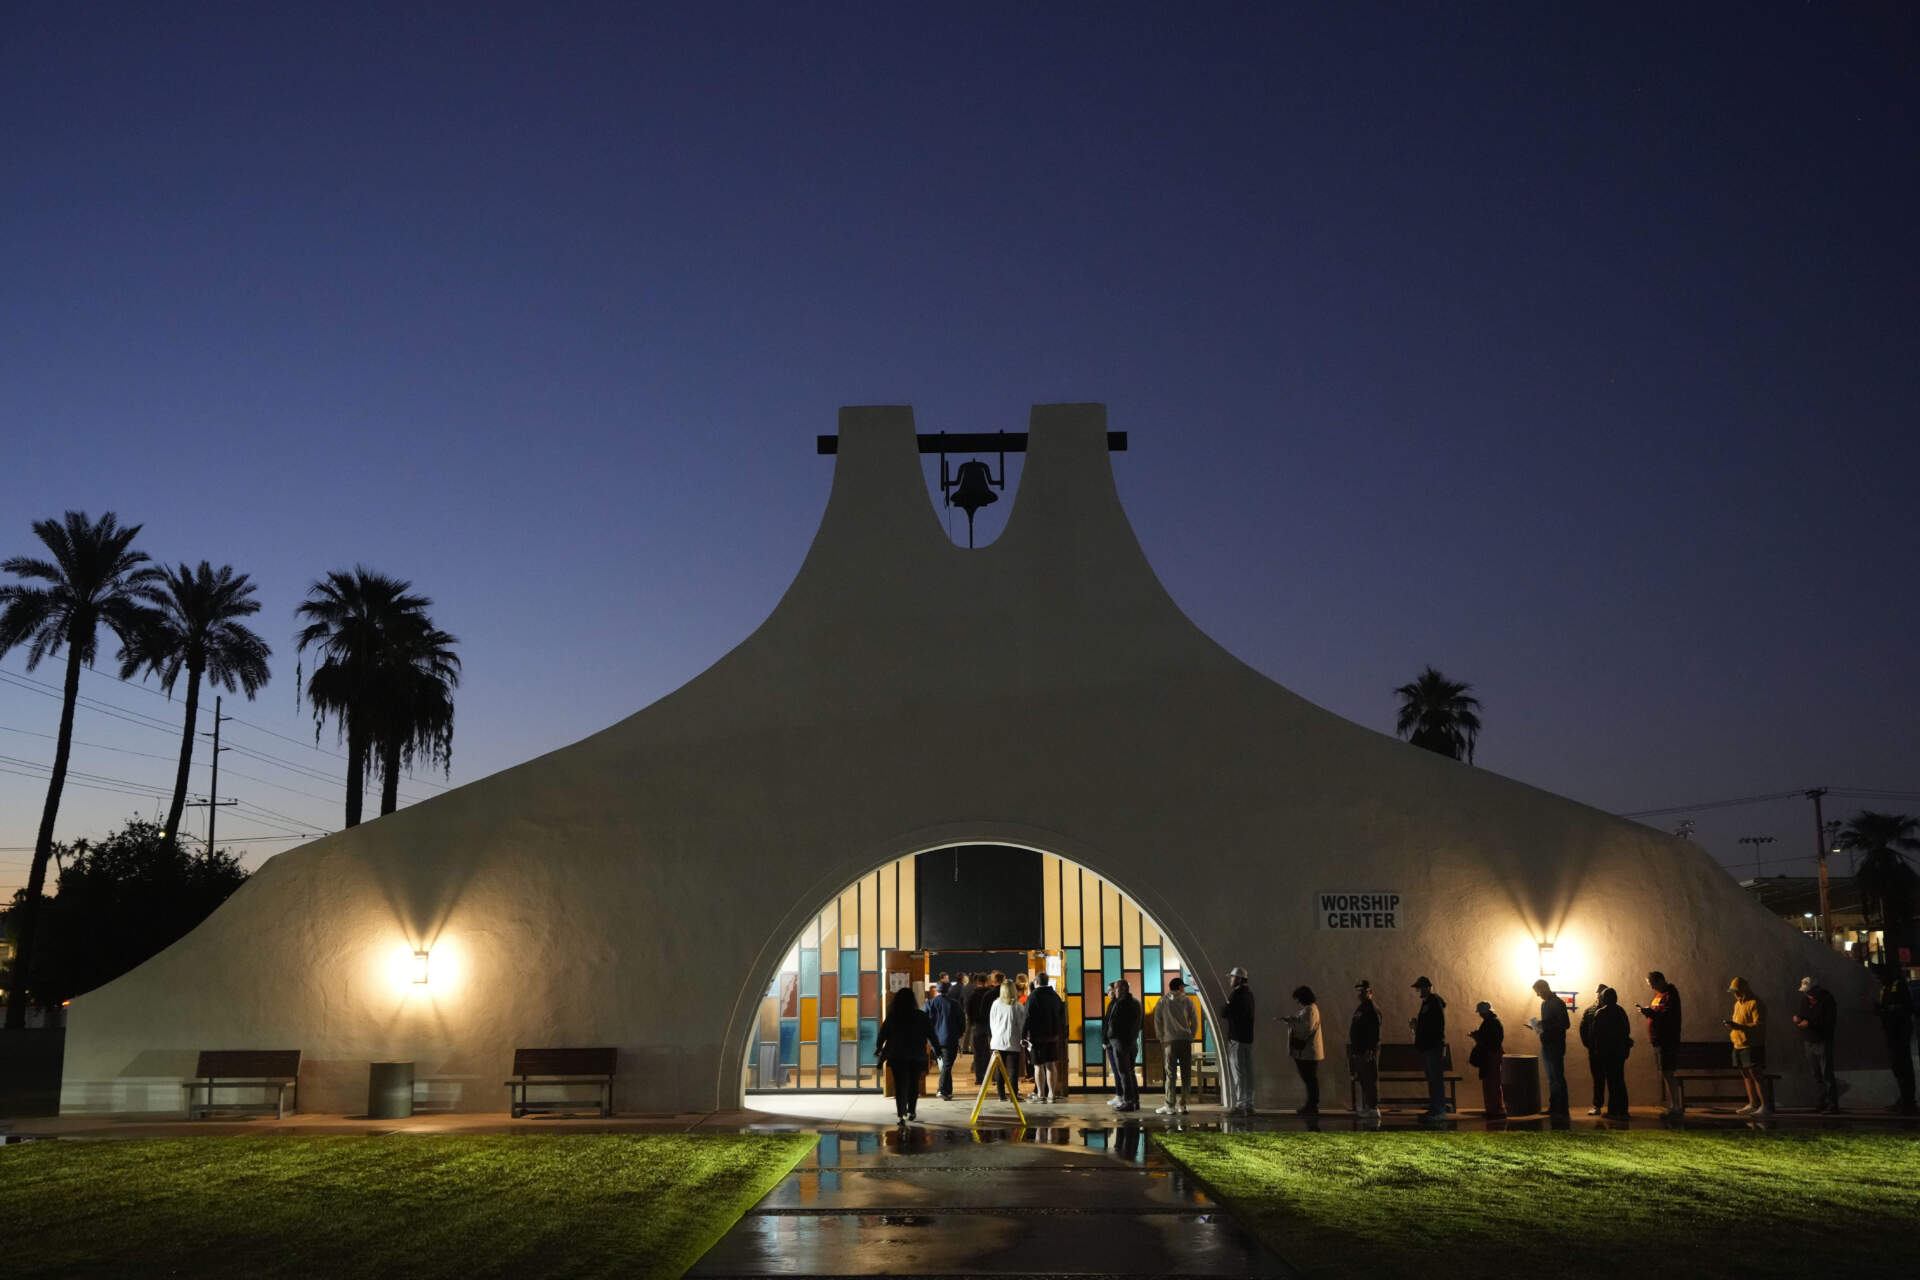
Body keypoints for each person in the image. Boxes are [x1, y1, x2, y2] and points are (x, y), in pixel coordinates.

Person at [874, 986, 937, 1124]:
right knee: (913, 1084)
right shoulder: (921, 1016)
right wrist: (937, 1050)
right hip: (916, 1055)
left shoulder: (893, 1016)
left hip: (897, 1056)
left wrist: (879, 1047)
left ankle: (901, 1114)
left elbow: (883, 1034)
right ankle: (912, 1111)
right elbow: (931, 1034)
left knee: (900, 1085)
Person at [1635, 970, 1684, 1116]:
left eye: (1652, 984)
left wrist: (1649, 1012)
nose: (1652, 988)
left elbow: (1667, 1015)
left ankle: (1676, 1105)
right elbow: (1659, 1011)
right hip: (1658, 1039)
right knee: (1665, 1072)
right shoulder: (1659, 995)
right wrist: (1648, 1011)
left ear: (1660, 981)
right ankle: (1673, 1105)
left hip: (1667, 1039)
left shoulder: (1670, 994)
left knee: (1668, 1072)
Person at [1873, 962, 1917, 1115]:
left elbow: (1907, 1008)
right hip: (1891, 1031)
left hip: (1900, 1032)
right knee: (1898, 1068)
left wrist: (1885, 1010)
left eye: (1880, 976)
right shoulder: (1885, 987)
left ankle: (1908, 1101)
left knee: (1903, 1067)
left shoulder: (1899, 985)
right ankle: (1904, 1099)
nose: (1878, 979)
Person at [1792, 975, 1839, 1113]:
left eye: (1809, 991)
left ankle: (1832, 1104)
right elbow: (1804, 1015)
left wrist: (1810, 1023)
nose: (1807, 994)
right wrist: (1799, 1019)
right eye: (1805, 991)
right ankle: (1821, 1102)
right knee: (1816, 1074)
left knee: (1827, 1074)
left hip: (1823, 1041)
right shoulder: (1805, 1000)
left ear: (1817, 989)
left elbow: (1829, 1022)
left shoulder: (1827, 1000)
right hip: (1809, 1041)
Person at [1723, 977, 1769, 1116]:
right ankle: (1753, 1103)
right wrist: (1733, 1027)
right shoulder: (1737, 1005)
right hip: (1738, 1044)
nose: (1735, 995)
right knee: (1746, 1075)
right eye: (1734, 992)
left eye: (1737, 992)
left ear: (1744, 990)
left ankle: (1765, 1105)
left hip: (1752, 1044)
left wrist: (1739, 1027)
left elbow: (1759, 1025)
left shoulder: (1755, 1003)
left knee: (1756, 1075)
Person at [1155, 976, 1199, 1114]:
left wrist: (1161, 1038)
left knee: (1170, 1074)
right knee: (1186, 1073)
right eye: (1183, 987)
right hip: (1185, 1040)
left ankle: (1170, 1106)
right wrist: (1191, 1036)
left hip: (1169, 1041)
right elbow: (1195, 1021)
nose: (1184, 989)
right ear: (1180, 987)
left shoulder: (1162, 1001)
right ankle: (1183, 1104)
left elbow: (1158, 1021)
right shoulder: (1188, 1001)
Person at [1527, 979, 1571, 1117]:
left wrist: (1543, 1025)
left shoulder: (1557, 1003)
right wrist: (1538, 1027)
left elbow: (1565, 1024)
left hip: (1555, 1045)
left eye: (1538, 992)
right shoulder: (1545, 1004)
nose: (1537, 995)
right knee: (1552, 1078)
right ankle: (1555, 1106)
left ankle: (1562, 1108)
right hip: (1546, 1044)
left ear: (1544, 988)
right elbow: (1550, 1024)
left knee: (1557, 1077)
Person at [1279, 986, 1324, 1115]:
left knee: (1309, 1078)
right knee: (1310, 1079)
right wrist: (1292, 1020)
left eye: (1298, 999)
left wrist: (1291, 1022)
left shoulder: (1310, 1010)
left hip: (1306, 1051)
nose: (1297, 1002)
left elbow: (1306, 1028)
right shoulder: (1310, 1009)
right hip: (1306, 1051)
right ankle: (1311, 1104)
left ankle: (1312, 1105)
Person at [1025, 971, 1068, 1103]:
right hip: (1053, 1036)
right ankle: (1051, 1094)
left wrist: (1024, 1035)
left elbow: (1028, 1017)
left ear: (1036, 982)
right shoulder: (1055, 996)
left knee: (1038, 1066)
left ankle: (1041, 1094)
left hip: (1037, 1037)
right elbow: (1062, 1015)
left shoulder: (1033, 996)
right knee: (1051, 1065)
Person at [1589, 985, 1632, 1117]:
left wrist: (1597, 1050)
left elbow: (1595, 1034)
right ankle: (1623, 1109)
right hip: (1620, 1052)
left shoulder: (1600, 1013)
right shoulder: (1621, 1011)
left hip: (1607, 1053)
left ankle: (1613, 1111)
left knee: (1612, 1082)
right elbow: (1627, 1030)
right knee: (1619, 1080)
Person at [1410, 976, 1448, 1118]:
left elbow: (1437, 1024)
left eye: (1420, 988)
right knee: (1432, 1078)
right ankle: (1435, 1107)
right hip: (1428, 1046)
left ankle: (1439, 1109)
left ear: (1428, 987)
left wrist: (1421, 1030)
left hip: (1432, 1046)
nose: (1418, 991)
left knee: (1435, 1078)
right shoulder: (1428, 1002)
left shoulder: (1434, 1002)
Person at [1221, 966, 1256, 1115]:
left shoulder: (1236, 995)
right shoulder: (1249, 994)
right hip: (1247, 1038)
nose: (1230, 979)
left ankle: (1241, 1105)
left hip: (1236, 1038)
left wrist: (1227, 1005)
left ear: (1239, 979)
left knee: (1238, 1072)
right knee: (1247, 1072)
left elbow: (1224, 1012)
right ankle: (1249, 1104)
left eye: (1232, 977)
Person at [988, 978, 1028, 1101]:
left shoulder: (995, 1004)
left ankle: (1001, 1095)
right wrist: (1023, 1038)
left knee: (1000, 1069)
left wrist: (995, 1035)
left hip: (997, 1041)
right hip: (1012, 1041)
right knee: (1013, 1071)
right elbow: (1021, 1024)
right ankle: (1013, 1095)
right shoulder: (1017, 1006)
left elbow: (992, 1022)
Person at [1108, 978, 1144, 1111]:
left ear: (1123, 989)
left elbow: (1114, 1024)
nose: (1114, 991)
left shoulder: (1121, 1004)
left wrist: (1110, 1037)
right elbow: (1140, 1024)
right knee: (1131, 1072)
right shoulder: (1136, 1003)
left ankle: (1128, 1101)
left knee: (1123, 1073)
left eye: (1116, 988)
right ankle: (1135, 1101)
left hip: (1120, 1042)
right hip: (1132, 1042)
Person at [925, 979, 964, 1101]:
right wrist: (959, 1034)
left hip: (934, 1040)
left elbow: (924, 1022)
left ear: (937, 990)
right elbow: (962, 1023)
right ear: (949, 990)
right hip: (949, 1039)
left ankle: (948, 1091)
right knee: (947, 1065)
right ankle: (941, 1089)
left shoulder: (930, 1004)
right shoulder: (954, 1004)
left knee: (945, 1066)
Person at [1348, 980, 1381, 1119]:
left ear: (1370, 993)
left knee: (1369, 1078)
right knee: (1363, 1078)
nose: (1361, 994)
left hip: (1366, 1050)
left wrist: (1371, 1049)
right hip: (1359, 1050)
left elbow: (1374, 1031)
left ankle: (1373, 1107)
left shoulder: (1371, 1009)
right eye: (1359, 991)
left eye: (1364, 991)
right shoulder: (1361, 1008)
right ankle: (1368, 1106)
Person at [1470, 1001, 1506, 1119]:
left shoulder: (1491, 1023)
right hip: (1492, 1054)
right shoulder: (1493, 1022)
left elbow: (1489, 1041)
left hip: (1491, 1055)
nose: (1480, 1015)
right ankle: (1493, 1109)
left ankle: (1496, 1110)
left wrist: (1477, 1037)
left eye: (1480, 1012)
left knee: (1492, 1083)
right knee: (1491, 1082)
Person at [1578, 983, 1610, 1115]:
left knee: (1612, 1080)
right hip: (1595, 1051)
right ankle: (1597, 1105)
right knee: (1598, 1079)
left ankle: (1614, 1107)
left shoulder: (1612, 1009)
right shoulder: (1590, 1010)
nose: (1598, 995)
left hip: (1609, 1050)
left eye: (1600, 993)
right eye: (1597, 993)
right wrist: (1589, 1044)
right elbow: (1583, 1028)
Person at [967, 971, 998, 1088]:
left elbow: (968, 1011)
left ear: (977, 982)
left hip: (977, 1027)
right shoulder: (991, 994)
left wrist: (971, 1023)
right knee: (991, 1053)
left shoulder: (972, 995)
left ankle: (979, 1078)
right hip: (990, 1026)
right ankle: (992, 1076)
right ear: (986, 982)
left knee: (978, 1053)